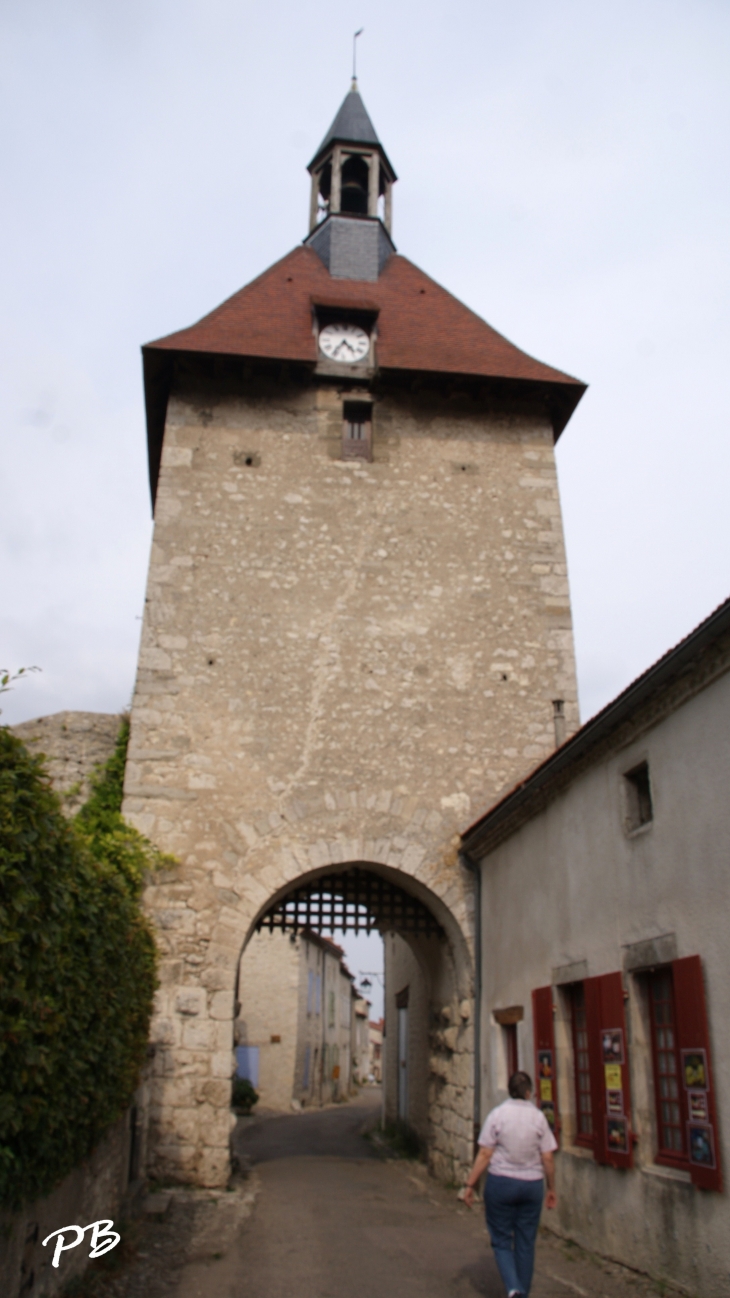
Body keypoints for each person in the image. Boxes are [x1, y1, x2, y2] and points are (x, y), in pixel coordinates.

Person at [462, 1070, 557, 1298]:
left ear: (509, 1090)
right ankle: (521, 1291)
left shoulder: (498, 1115)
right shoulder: (538, 1118)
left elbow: (485, 1153)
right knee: (526, 1241)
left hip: (501, 1184)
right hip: (531, 1185)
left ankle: (514, 1289)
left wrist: (470, 1185)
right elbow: (548, 1157)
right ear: (528, 1092)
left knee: (502, 1239)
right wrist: (552, 1188)